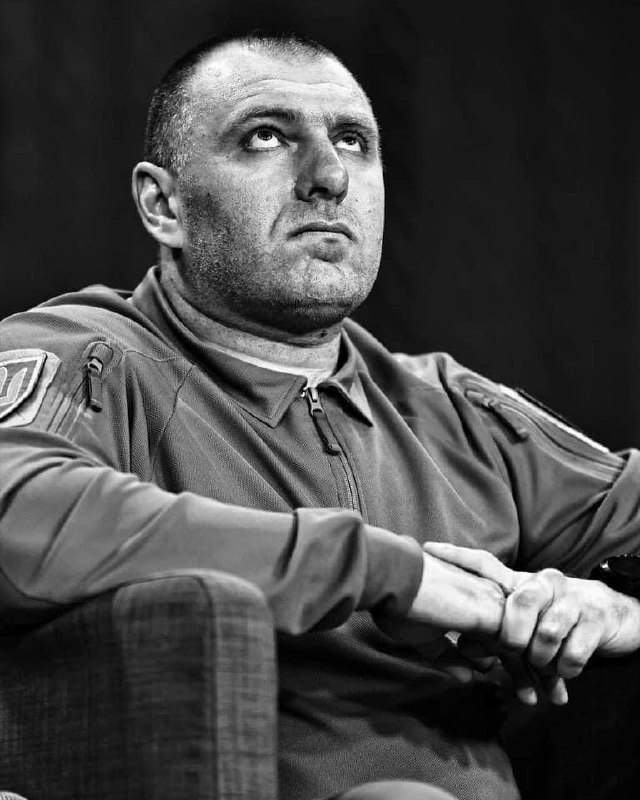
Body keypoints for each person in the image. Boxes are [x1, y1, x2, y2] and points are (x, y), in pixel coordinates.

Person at [1, 31, 639, 800]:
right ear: (163, 205)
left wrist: (614, 607)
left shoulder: (452, 408)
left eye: (353, 140)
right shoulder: (88, 355)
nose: (329, 177)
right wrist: (386, 572)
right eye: (266, 137)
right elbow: (14, 507)